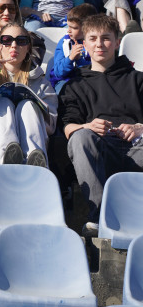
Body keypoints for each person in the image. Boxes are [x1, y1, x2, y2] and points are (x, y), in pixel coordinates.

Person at [59, 14, 143, 237]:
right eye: (93, 38)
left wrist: (138, 128)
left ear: (117, 42)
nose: (99, 44)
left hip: (137, 149)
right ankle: (98, 216)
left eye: (106, 38)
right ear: (84, 44)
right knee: (80, 137)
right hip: (99, 151)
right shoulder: (74, 85)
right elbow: (68, 129)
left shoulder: (138, 80)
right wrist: (88, 126)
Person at [0, 23, 57, 167]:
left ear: (28, 48)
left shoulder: (41, 81)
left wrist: (32, 111)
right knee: (3, 103)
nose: (14, 45)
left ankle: (34, 161)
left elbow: (51, 127)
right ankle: (5, 160)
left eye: (21, 41)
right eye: (7, 40)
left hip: (31, 146)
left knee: (28, 106)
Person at [49, 3, 96, 90]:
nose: (68, 30)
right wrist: (70, 58)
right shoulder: (65, 43)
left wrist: (80, 61)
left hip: (90, 80)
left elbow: (98, 69)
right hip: (65, 80)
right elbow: (58, 72)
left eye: (74, 28)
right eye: (68, 26)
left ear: (88, 28)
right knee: (64, 89)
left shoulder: (96, 43)